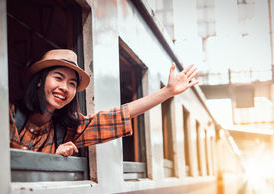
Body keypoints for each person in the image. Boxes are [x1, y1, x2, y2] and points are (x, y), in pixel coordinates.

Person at [10, 49, 199, 157]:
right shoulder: (8, 115)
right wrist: (52, 159)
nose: (65, 88)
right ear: (40, 80)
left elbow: (119, 115)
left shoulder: (67, 129)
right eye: (58, 78)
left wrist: (167, 92)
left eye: (72, 83)